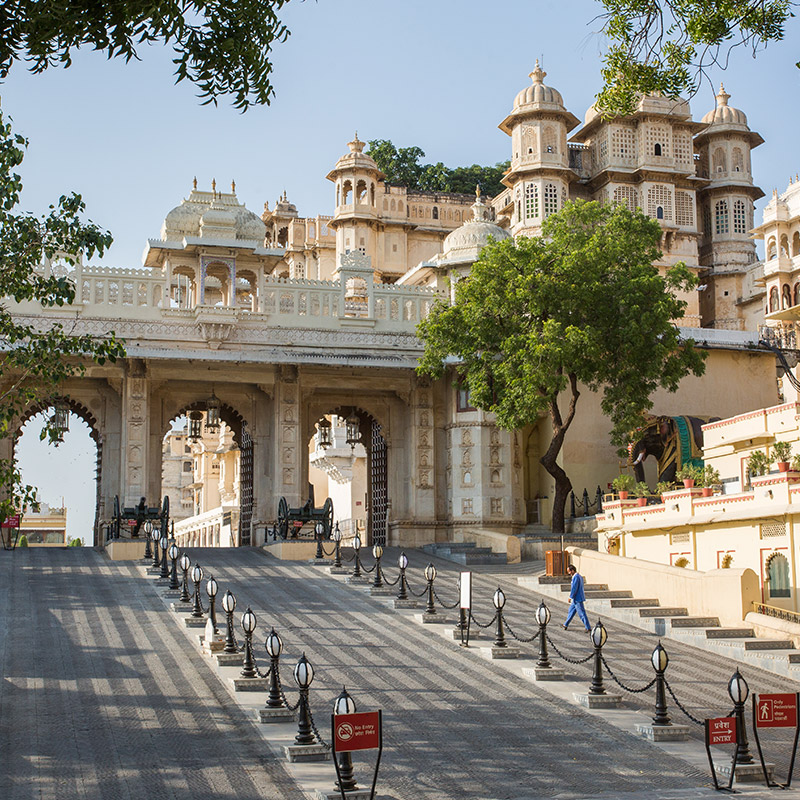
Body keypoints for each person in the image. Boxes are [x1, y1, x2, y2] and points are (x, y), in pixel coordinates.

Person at [563, 564, 591, 632]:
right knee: (571, 611)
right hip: (576, 598)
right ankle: (565, 624)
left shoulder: (576, 577)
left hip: (577, 598)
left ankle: (588, 627)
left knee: (581, 613)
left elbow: (574, 588)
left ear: (572, 570)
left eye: (569, 571)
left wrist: (570, 597)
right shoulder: (579, 576)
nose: (569, 573)